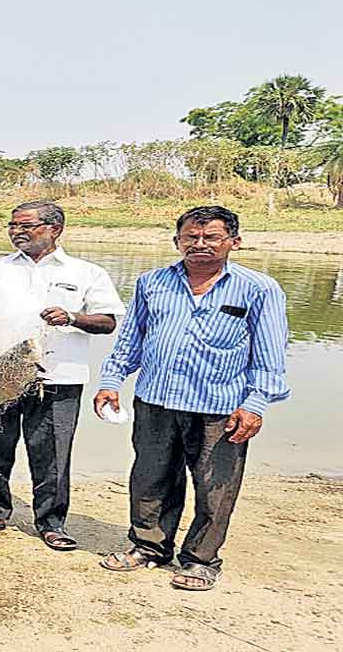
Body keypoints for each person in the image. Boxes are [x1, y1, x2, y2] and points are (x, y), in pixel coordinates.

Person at [96, 205, 289, 591]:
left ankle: (201, 559)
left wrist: (255, 405)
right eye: (191, 237)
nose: (200, 244)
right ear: (177, 241)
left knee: (215, 488)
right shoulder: (152, 282)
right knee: (150, 478)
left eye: (212, 237)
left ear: (234, 242)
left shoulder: (259, 288)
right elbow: (131, 339)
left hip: (220, 408)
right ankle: (149, 546)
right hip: (155, 400)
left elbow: (270, 355)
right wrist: (111, 380)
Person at [0, 201, 124, 550]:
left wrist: (72, 317)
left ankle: (51, 523)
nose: (16, 231)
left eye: (26, 225)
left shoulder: (87, 272)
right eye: (12, 225)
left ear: (55, 229)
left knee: (52, 453)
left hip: (57, 378)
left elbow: (107, 321)